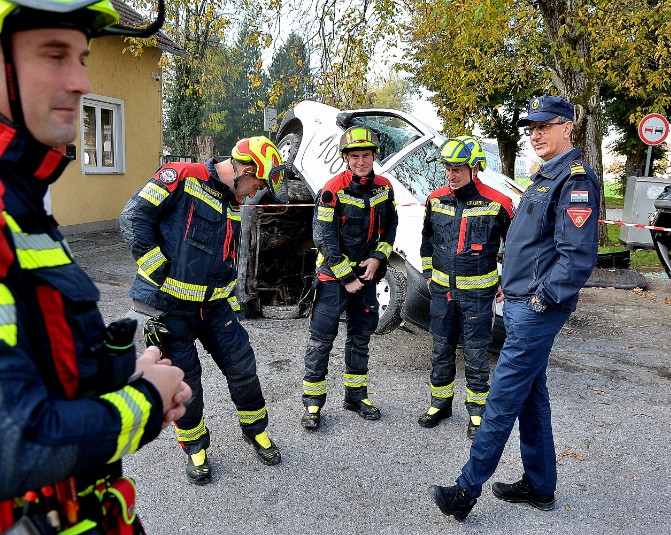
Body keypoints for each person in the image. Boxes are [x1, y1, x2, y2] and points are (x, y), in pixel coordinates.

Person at [0, 0, 191, 532]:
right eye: (54, 54)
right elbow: (14, 442)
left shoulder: (23, 201)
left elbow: (30, 368)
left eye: (82, 57)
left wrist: (116, 377)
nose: (81, 81)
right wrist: (144, 401)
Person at [429, 95, 601, 520]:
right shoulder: (546, 176)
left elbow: (576, 256)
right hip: (523, 300)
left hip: (537, 310)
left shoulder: (574, 180)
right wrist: (513, 281)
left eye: (545, 126)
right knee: (530, 398)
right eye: (531, 128)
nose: (536, 134)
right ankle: (540, 486)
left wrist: (542, 297)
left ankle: (465, 491)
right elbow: (533, 245)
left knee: (502, 399)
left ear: (568, 127)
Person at [119, 136, 285, 485]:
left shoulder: (233, 201)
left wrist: (234, 301)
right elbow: (134, 217)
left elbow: (225, 256)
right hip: (171, 309)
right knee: (187, 382)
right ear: (245, 169)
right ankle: (195, 447)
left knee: (242, 367)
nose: (254, 193)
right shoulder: (181, 176)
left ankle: (256, 430)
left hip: (215, 308)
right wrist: (158, 269)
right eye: (256, 184)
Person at [300, 126, 398, 430]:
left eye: (366, 155)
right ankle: (313, 405)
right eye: (355, 156)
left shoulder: (385, 188)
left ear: (373, 156)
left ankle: (355, 397)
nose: (361, 161)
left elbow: (391, 229)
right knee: (321, 341)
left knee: (360, 339)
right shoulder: (332, 190)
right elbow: (324, 238)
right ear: (346, 158)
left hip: (367, 276)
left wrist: (378, 258)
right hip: (334, 279)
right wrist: (347, 277)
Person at [418, 136, 514, 440]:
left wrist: (507, 281)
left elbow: (516, 248)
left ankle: (476, 412)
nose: (451, 174)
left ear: (475, 168)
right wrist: (429, 273)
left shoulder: (499, 202)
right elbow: (426, 241)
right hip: (442, 294)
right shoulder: (435, 199)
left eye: (458, 167)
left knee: (475, 354)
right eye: (448, 167)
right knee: (441, 350)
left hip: (477, 296)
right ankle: (440, 405)